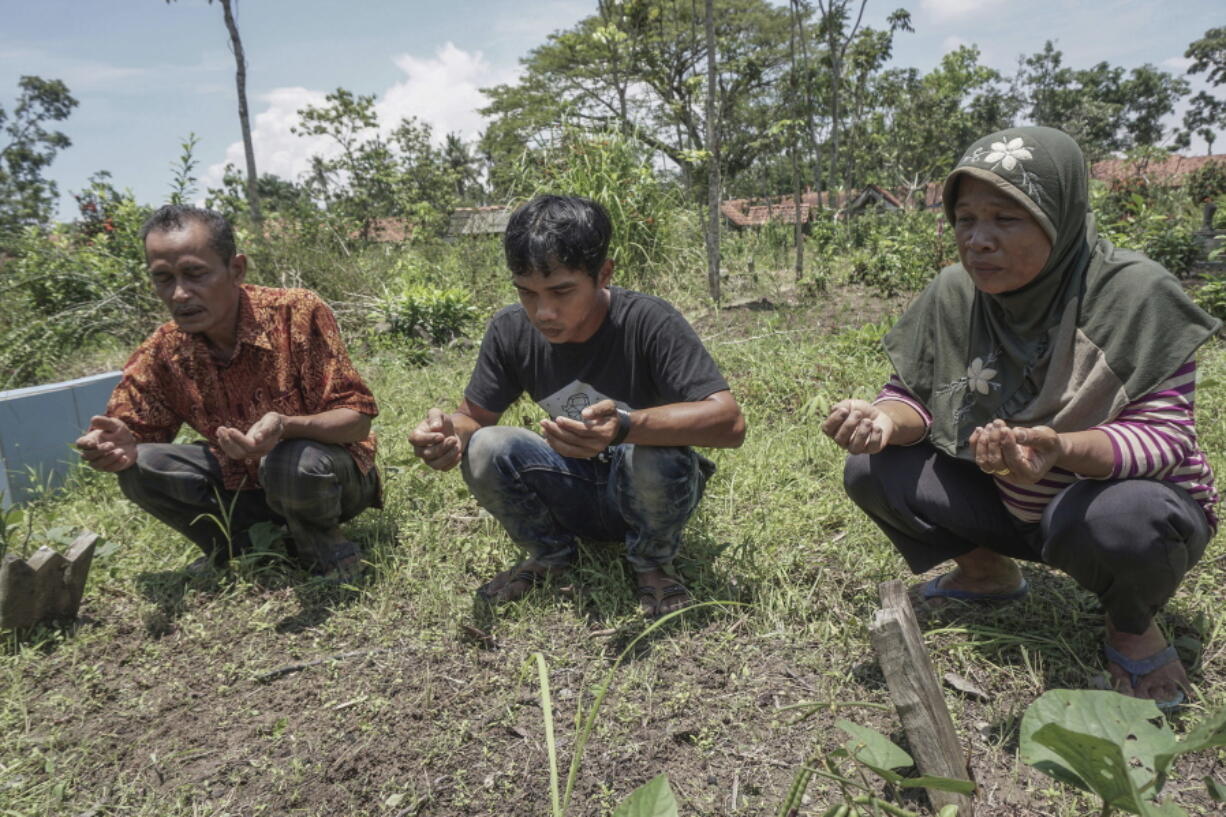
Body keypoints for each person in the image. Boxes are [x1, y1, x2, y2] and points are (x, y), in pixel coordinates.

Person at [822, 127, 1219, 710]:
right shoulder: (955, 294)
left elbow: (1165, 437)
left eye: (1006, 219)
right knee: (870, 467)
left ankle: (1132, 627)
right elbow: (912, 396)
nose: (978, 241)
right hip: (1010, 501)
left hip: (1101, 507)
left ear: (1059, 216)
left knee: (1126, 519)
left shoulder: (1135, 295)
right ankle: (988, 576)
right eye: (965, 219)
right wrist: (880, 421)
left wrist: (1060, 448)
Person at [410, 194, 745, 617]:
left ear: (603, 274)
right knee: (484, 446)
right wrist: (448, 435)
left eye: (562, 291)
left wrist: (625, 427)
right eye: (526, 293)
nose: (543, 311)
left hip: (648, 489)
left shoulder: (649, 321)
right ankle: (550, 555)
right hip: (570, 480)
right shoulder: (510, 330)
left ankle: (652, 563)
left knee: (656, 453)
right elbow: (474, 418)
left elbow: (729, 422)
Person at [75, 205, 380, 582]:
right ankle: (238, 547)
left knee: (290, 460)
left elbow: (357, 422)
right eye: (163, 278)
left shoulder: (295, 313)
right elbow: (132, 429)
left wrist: (286, 427)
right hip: (245, 483)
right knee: (140, 466)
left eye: (195, 274)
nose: (180, 294)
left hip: (331, 480)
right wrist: (119, 441)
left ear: (236, 269)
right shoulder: (164, 350)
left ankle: (326, 545)